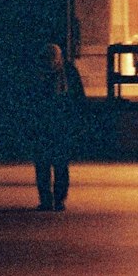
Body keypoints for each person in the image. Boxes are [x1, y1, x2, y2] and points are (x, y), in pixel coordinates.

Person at [30, 42, 84, 211]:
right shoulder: (38, 75)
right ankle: (46, 199)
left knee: (59, 165)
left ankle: (59, 198)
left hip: (61, 125)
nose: (50, 62)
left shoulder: (68, 73)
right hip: (43, 126)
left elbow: (78, 99)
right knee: (43, 164)